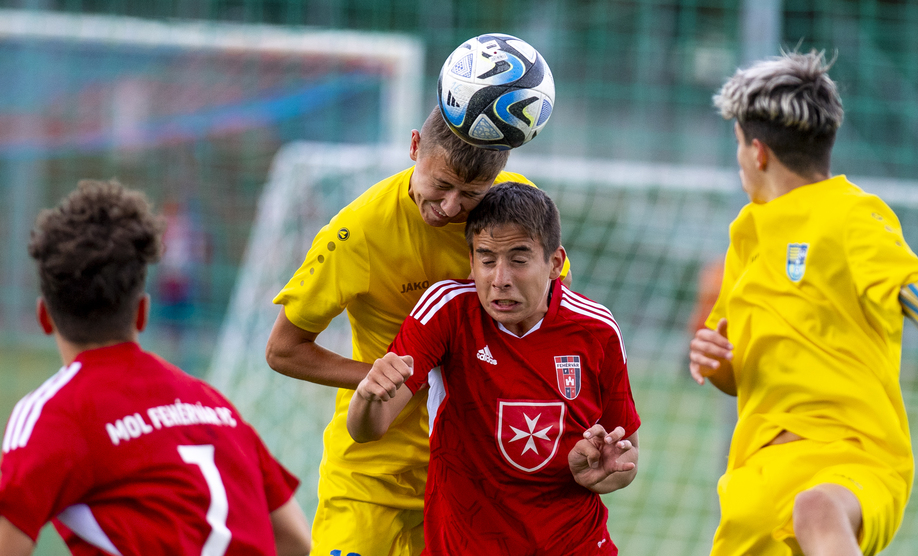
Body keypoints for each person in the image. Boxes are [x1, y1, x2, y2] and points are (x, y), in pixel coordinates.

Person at [689, 51, 918, 556]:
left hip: (853, 463)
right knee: (797, 510)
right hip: (756, 484)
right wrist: (714, 361)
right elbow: (736, 373)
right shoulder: (746, 236)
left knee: (816, 510)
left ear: (757, 152)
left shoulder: (853, 218)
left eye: (737, 144)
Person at [265, 106, 571, 555]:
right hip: (372, 474)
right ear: (414, 147)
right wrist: (380, 378)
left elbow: (557, 323)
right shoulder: (357, 232)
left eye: (471, 194)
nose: (450, 207)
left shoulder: (515, 215)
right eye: (441, 185)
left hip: (477, 477)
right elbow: (283, 350)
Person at [0, 180, 310, 556]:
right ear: (143, 312)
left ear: (44, 317)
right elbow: (296, 539)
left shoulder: (54, 413)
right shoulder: (213, 404)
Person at [348, 182, 639, 555]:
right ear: (471, 262)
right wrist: (368, 395)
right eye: (487, 260)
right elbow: (366, 430)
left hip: (575, 544)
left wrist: (603, 474)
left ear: (555, 263)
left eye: (518, 260)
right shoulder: (447, 310)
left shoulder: (597, 328)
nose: (500, 279)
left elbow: (627, 451)